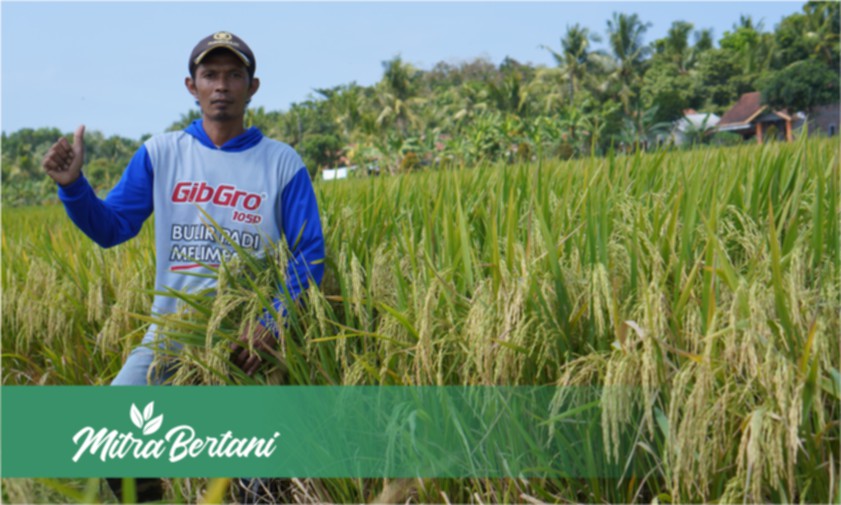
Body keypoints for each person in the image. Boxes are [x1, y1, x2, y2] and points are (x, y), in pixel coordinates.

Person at [42, 31, 325, 502]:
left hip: (249, 339)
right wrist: (74, 188)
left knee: (254, 480)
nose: (221, 85)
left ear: (252, 87)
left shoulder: (281, 163)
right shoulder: (162, 153)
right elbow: (113, 227)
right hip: (171, 334)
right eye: (210, 74)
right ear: (191, 86)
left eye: (234, 75)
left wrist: (273, 320)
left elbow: (309, 252)